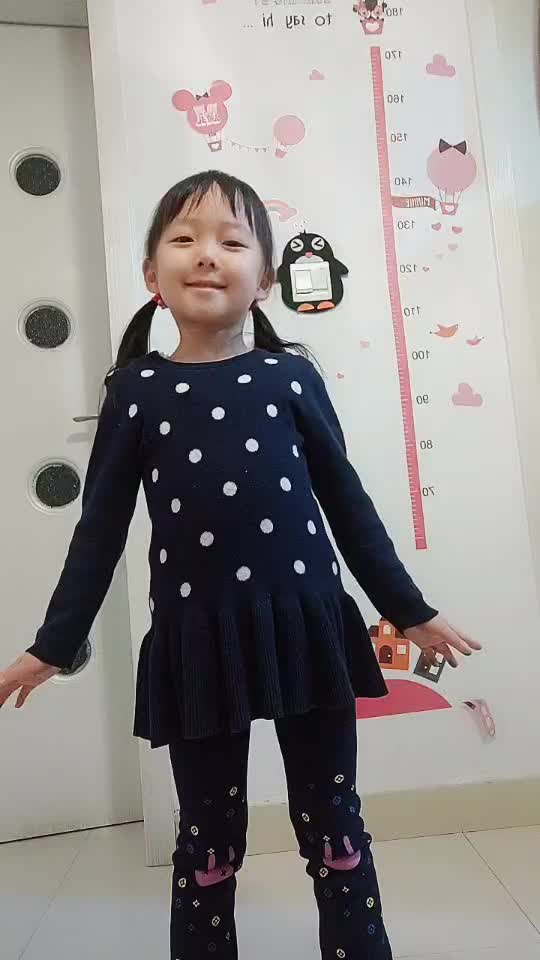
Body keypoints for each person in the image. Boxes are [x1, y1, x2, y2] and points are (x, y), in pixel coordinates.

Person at [0, 170, 481, 959]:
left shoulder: (291, 376)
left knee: (335, 828)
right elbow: (99, 532)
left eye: (231, 241)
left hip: (308, 631)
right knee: (208, 840)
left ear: (263, 281)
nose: (206, 255)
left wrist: (411, 610)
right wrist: (54, 644)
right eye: (183, 239)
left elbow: (349, 506)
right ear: (152, 276)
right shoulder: (136, 391)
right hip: (197, 643)